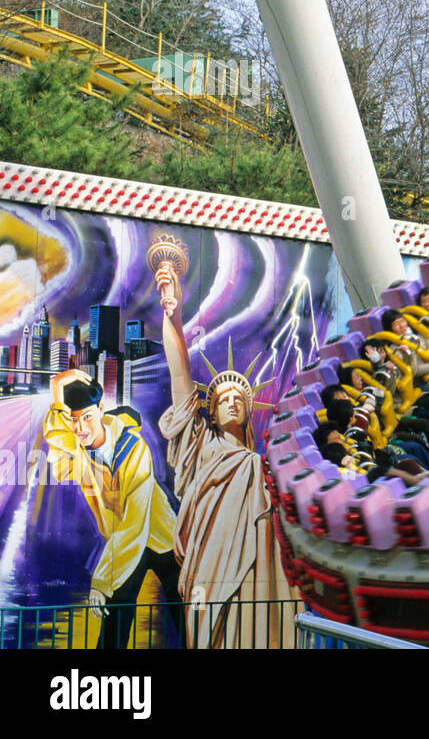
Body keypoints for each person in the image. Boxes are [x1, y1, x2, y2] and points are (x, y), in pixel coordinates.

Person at [152, 256, 294, 649]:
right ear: (210, 412)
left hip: (257, 575)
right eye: (223, 399)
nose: (232, 403)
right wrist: (173, 314)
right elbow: (180, 373)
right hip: (207, 568)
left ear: (249, 411)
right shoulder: (200, 444)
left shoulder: (262, 466)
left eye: (239, 398)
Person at [42, 370, 184, 649]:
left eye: (87, 417)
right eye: (73, 419)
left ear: (101, 410)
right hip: (122, 546)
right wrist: (57, 390)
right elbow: (59, 461)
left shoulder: (135, 449)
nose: (80, 427)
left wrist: (101, 580)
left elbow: (134, 522)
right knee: (113, 628)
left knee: (187, 621)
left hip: (159, 541)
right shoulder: (78, 452)